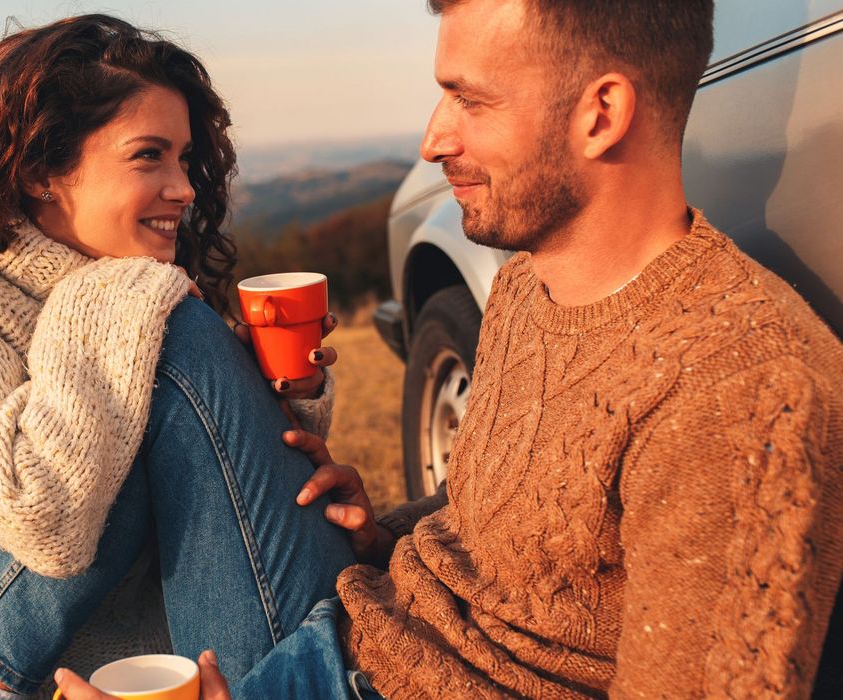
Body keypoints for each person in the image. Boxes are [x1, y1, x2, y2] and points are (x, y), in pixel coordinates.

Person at [50, 0, 843, 698]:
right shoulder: (532, 289)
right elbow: (531, 533)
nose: (433, 140)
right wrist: (384, 532)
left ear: (601, 112)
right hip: (358, 627)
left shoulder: (740, 389)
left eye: (469, 99)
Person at [0, 14, 357, 700]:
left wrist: (293, 392)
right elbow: (45, 520)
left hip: (195, 644)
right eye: (149, 156)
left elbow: (229, 493)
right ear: (45, 170)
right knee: (172, 345)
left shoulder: (126, 286)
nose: (185, 187)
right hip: (56, 672)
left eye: (183, 157)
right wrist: (119, 295)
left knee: (174, 350)